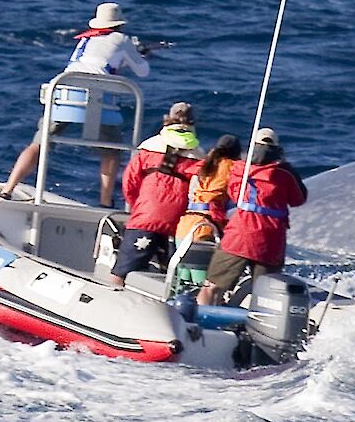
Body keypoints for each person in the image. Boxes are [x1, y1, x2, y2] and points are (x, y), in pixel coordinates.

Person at [0, 2, 158, 207]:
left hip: (64, 94)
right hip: (99, 100)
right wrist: (140, 53)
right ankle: (105, 201)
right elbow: (142, 71)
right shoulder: (123, 39)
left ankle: (7, 189)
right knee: (112, 151)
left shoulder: (85, 39)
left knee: (39, 144)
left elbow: (95, 61)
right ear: (120, 25)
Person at [200, 128, 307, 307]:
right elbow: (298, 199)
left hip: (239, 235)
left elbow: (234, 195)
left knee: (212, 286)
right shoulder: (284, 173)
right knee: (265, 291)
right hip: (270, 238)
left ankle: (201, 321)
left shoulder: (240, 169)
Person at [109, 103, 204, 285]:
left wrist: (138, 207)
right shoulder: (199, 156)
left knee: (120, 272)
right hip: (178, 224)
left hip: (146, 217)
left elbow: (129, 183)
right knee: (172, 276)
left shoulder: (148, 148)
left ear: (167, 119)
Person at [176, 134, 242, 247]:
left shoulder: (202, 167)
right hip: (208, 229)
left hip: (184, 226)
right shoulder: (234, 170)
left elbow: (191, 195)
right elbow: (236, 203)